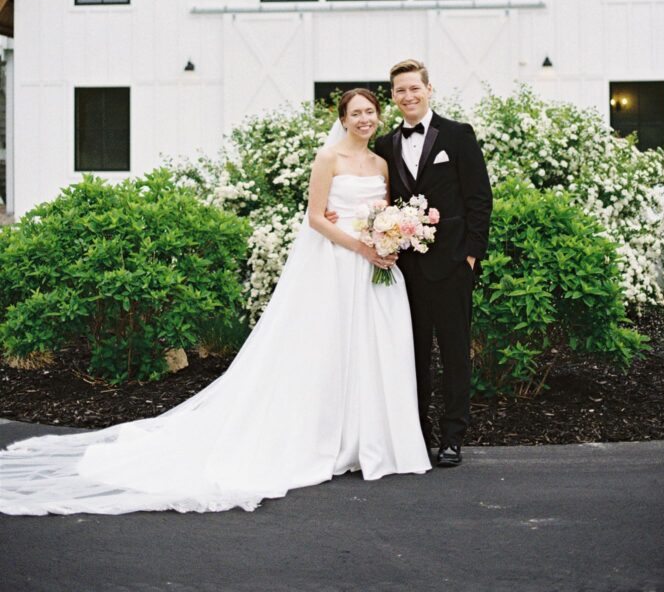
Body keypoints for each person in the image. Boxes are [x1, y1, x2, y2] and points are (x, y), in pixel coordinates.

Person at [0, 89, 429, 515]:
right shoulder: (328, 158)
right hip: (337, 264)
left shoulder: (380, 163)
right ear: (343, 118)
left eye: (370, 112)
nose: (364, 119)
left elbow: (384, 210)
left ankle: (366, 439)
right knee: (325, 350)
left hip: (374, 268)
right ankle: (324, 439)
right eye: (356, 113)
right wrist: (361, 246)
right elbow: (316, 217)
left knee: (371, 351)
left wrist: (388, 237)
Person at [375, 60, 493, 466]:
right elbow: (380, 199)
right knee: (413, 355)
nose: (407, 96)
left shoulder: (458, 135)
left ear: (429, 89)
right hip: (405, 271)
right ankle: (418, 435)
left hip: (453, 264)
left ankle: (453, 436)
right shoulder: (385, 145)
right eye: (399, 91)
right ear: (392, 96)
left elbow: (479, 198)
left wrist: (472, 257)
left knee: (456, 353)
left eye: (414, 88)